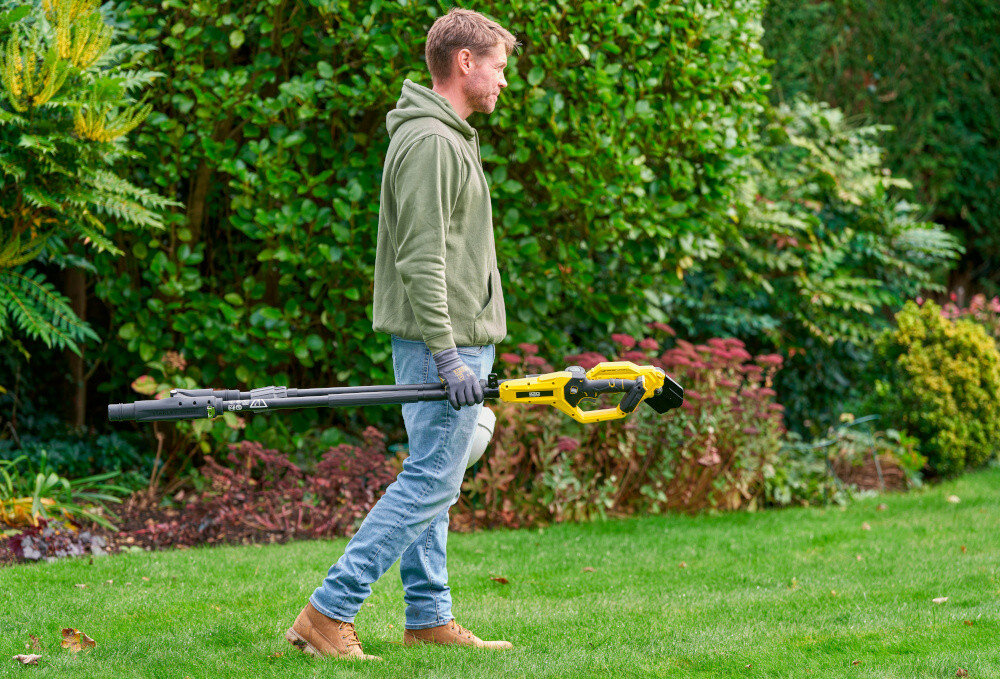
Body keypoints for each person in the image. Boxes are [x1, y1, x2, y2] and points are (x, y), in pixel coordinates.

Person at [285, 8, 519, 660]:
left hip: (449, 341)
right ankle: (329, 611)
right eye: (498, 66)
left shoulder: (445, 135)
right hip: (441, 345)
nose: (504, 81)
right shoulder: (433, 143)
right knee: (430, 484)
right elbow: (422, 259)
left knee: (432, 477)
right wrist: (448, 356)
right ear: (465, 61)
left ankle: (428, 615)